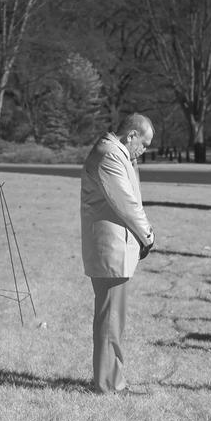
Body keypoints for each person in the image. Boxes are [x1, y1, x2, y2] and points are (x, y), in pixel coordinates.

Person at [80, 113, 156, 394]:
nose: (144, 150)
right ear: (131, 135)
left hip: (115, 249)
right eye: (144, 143)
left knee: (112, 318)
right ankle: (109, 384)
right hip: (111, 250)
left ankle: (108, 379)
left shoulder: (116, 153)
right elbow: (127, 204)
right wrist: (148, 236)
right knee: (111, 319)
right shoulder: (109, 155)